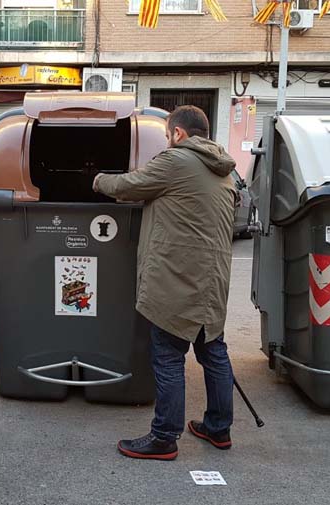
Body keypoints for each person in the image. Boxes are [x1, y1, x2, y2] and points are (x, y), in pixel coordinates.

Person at [92, 105, 237, 461]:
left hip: (180, 278)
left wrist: (95, 178)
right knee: (212, 352)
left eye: (167, 134)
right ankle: (218, 429)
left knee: (169, 355)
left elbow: (128, 185)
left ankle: (163, 438)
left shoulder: (177, 161)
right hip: (212, 278)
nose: (167, 140)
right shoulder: (223, 170)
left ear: (179, 133)